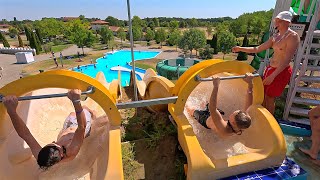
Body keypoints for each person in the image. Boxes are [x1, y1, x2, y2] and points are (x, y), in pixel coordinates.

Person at [2, 89, 97, 170]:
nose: (54, 141)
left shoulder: (41, 156)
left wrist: (11, 111)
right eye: (55, 144)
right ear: (61, 154)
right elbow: (82, 127)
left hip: (67, 129)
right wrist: (76, 101)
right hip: (80, 129)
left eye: (52, 143)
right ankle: (93, 114)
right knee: (85, 110)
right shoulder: (71, 151)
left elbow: (25, 134)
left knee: (72, 114)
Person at [232, 11, 300, 115]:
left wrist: (273, 75)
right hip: (270, 68)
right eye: (276, 20)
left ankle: (269, 121)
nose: (276, 23)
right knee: (263, 95)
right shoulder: (276, 36)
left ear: (287, 22)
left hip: (281, 71)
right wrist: (240, 48)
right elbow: (258, 48)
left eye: (279, 21)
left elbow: (287, 59)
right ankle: (262, 117)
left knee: (270, 97)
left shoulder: (293, 37)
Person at [191, 73, 254, 137]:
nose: (232, 113)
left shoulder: (224, 128)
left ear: (233, 122)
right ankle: (203, 105)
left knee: (190, 110)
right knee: (205, 103)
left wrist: (216, 86)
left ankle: (191, 110)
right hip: (216, 116)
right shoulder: (244, 124)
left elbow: (212, 108)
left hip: (205, 119)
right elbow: (249, 105)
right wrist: (250, 84)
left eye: (233, 114)